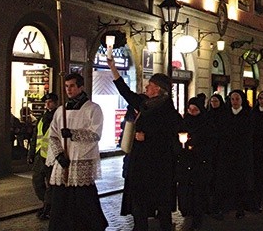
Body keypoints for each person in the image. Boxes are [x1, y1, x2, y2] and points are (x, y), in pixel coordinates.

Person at [107, 58, 181, 231]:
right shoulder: (144, 104)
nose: (146, 87)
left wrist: (147, 137)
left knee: (161, 204)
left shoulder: (168, 110)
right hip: (140, 163)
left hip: (159, 165)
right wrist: (113, 67)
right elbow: (125, 91)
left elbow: (170, 134)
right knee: (139, 201)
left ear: (157, 89)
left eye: (150, 85)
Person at [46, 73, 108, 231]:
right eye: (66, 86)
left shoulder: (93, 109)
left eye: (72, 86)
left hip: (82, 160)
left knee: (83, 199)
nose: (69, 89)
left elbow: (95, 134)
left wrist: (73, 133)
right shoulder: (61, 111)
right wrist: (59, 154)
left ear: (81, 87)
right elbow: (52, 135)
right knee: (61, 200)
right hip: (64, 162)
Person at [212, 89, 253, 220]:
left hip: (241, 155)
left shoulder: (247, 115)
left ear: (242, 100)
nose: (235, 102)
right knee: (225, 182)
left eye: (237, 99)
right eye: (233, 99)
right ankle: (224, 207)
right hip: (226, 154)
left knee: (240, 182)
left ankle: (240, 208)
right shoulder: (224, 115)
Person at [177, 97, 214, 231]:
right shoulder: (183, 123)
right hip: (185, 164)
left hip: (200, 164)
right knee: (186, 191)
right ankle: (188, 211)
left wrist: (196, 148)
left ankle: (198, 219)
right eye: (190, 110)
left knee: (198, 193)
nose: (192, 113)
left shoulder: (206, 124)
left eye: (195, 110)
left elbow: (211, 144)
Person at [28, 93, 59, 220]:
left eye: (50, 102)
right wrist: (31, 153)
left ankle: (48, 206)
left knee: (51, 184)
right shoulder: (42, 118)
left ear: (56, 103)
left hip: (53, 156)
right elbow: (35, 137)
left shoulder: (59, 117)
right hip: (40, 155)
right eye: (46, 102)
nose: (47, 104)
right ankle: (46, 203)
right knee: (37, 181)